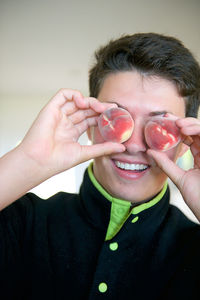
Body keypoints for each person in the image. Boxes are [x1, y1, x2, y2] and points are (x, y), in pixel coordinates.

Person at [0, 33, 200, 300]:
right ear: (93, 124)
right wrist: (28, 160)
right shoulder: (22, 222)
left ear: (184, 141)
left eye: (160, 126)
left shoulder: (194, 247)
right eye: (116, 118)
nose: (133, 145)